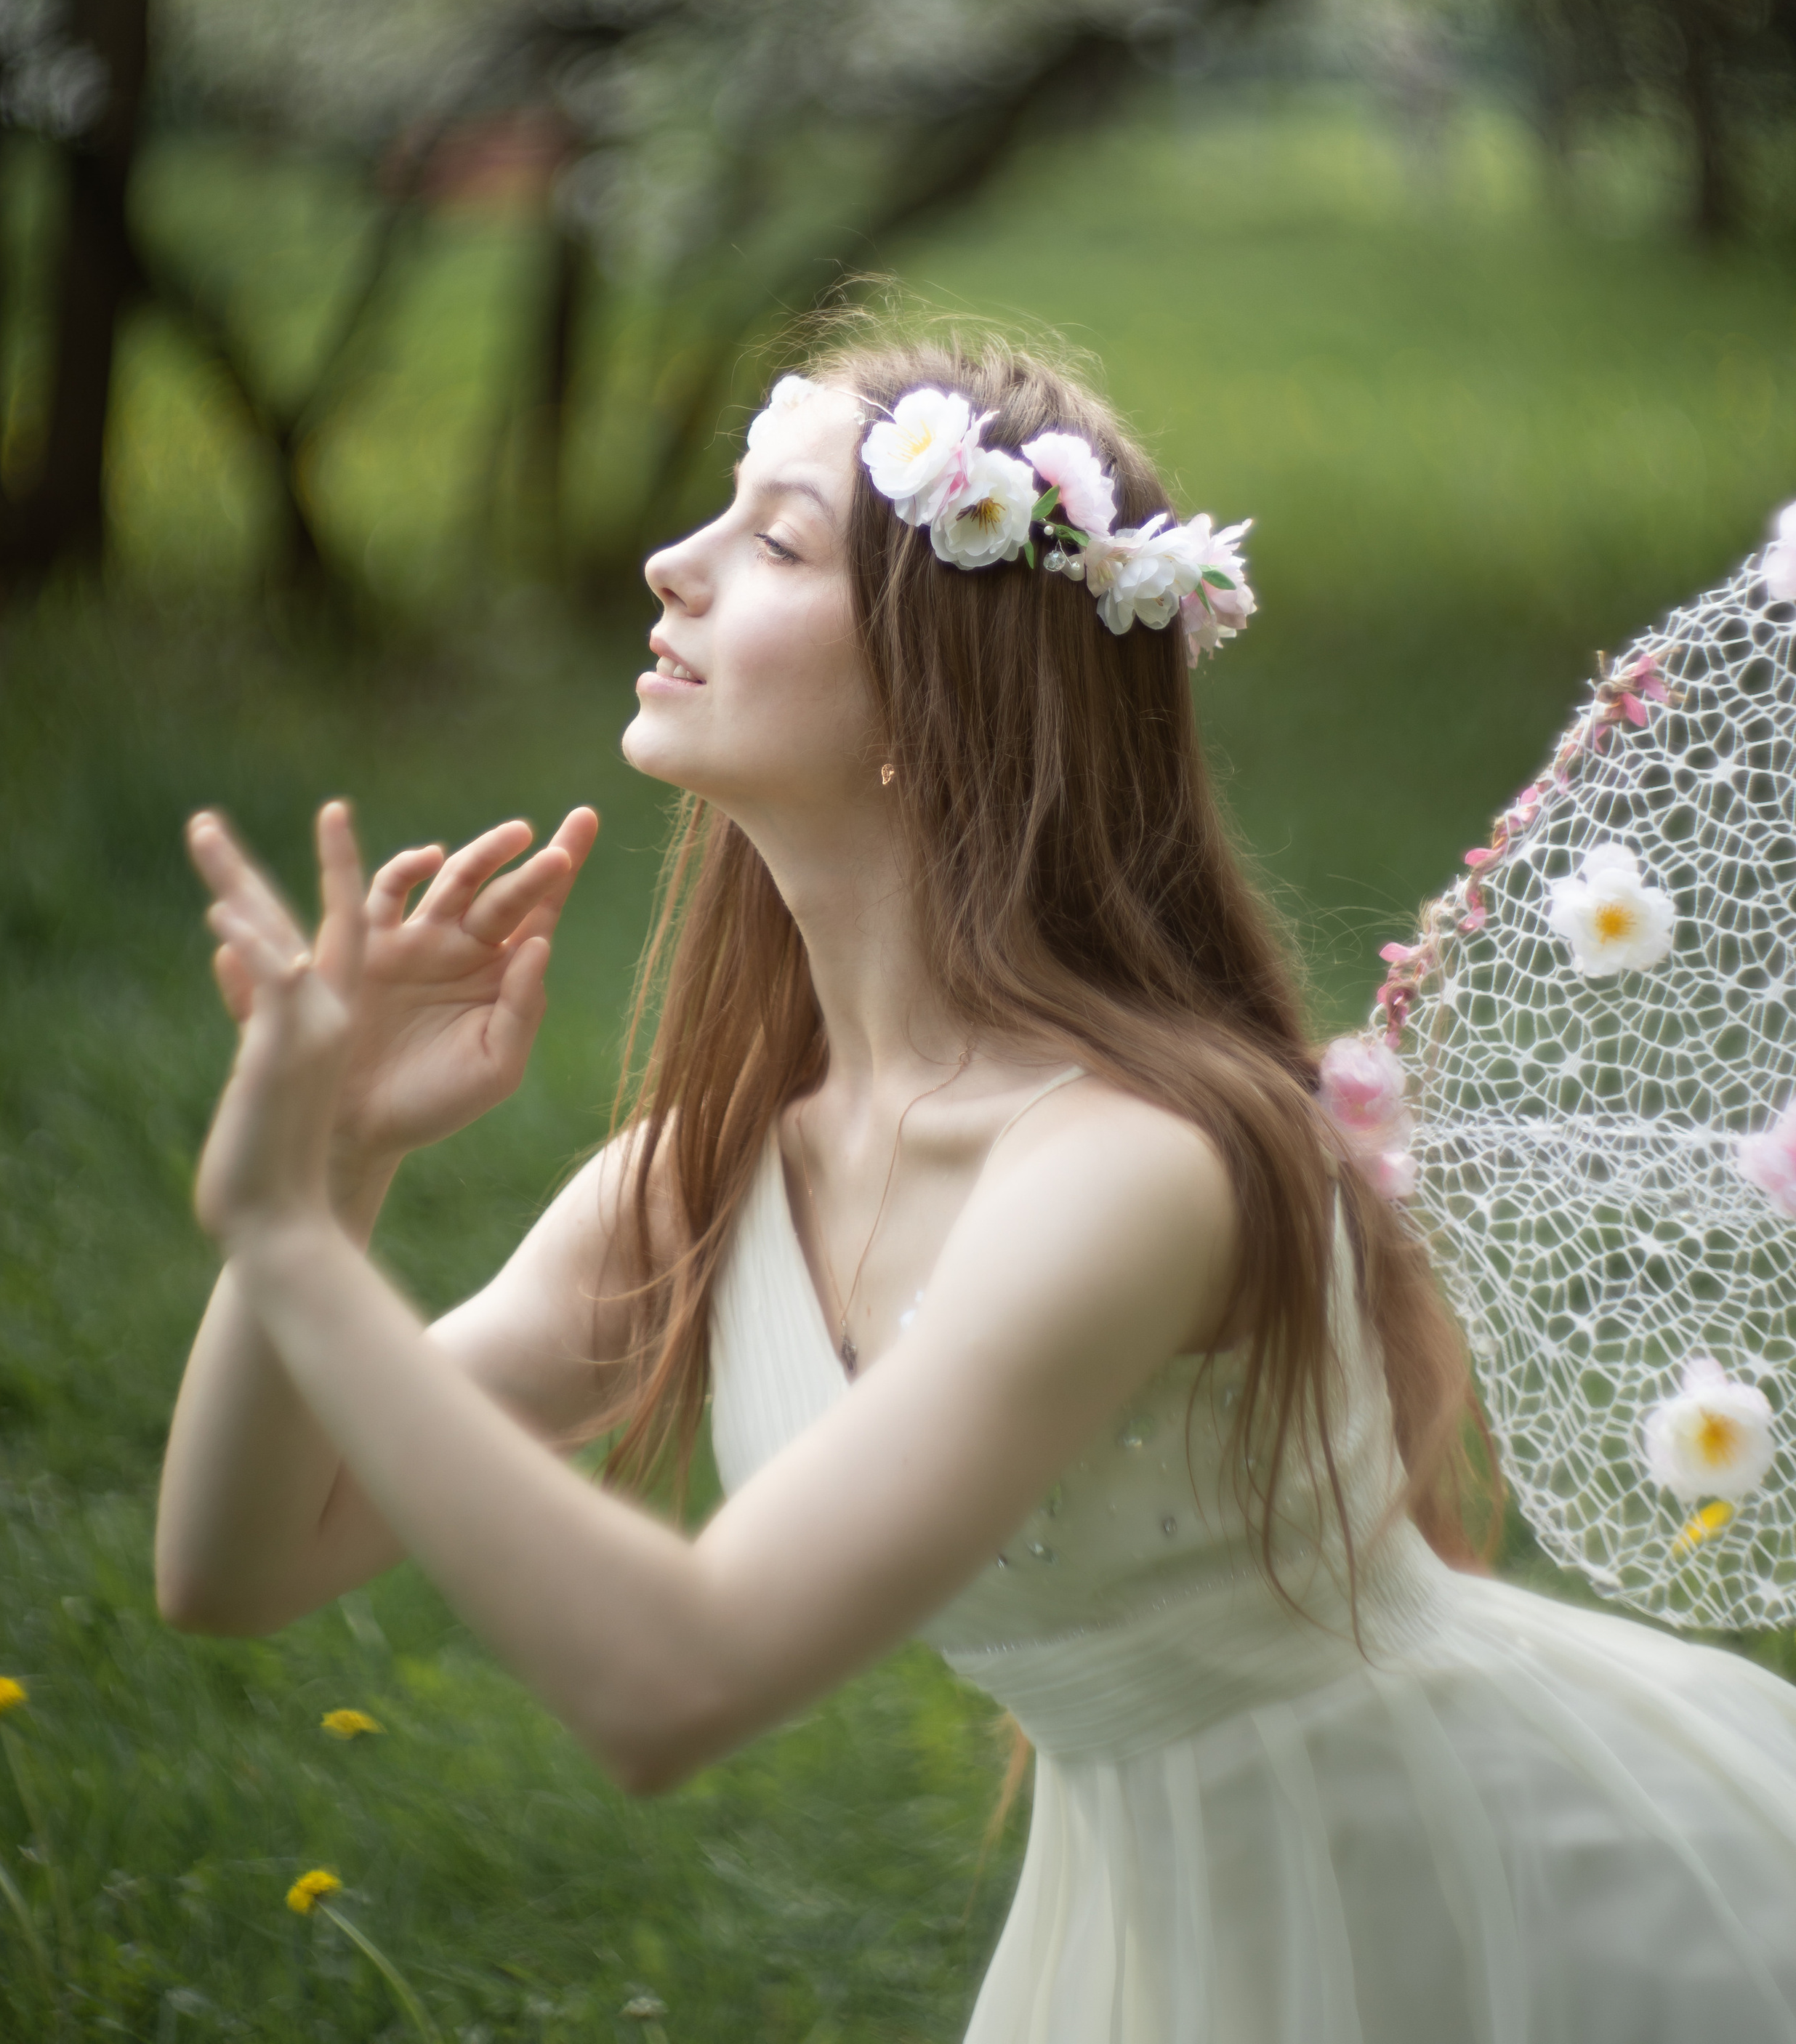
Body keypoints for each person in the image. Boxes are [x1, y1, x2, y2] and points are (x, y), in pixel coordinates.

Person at [157, 334, 1796, 2043]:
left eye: (773, 541)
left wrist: (279, 1232)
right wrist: (339, 1171)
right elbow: (241, 1561)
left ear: (935, 697)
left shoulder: (1130, 1172)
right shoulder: (712, 1180)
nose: (673, 561)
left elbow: (671, 1684)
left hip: (1507, 1910)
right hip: (1164, 1949)